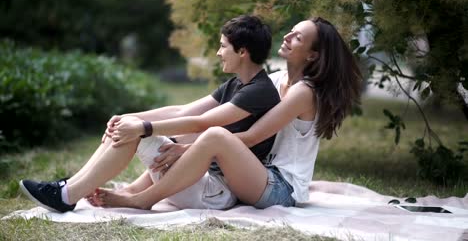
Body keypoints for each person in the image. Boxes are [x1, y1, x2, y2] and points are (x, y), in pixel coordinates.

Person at [83, 16, 362, 210]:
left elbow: (251, 137)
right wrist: (132, 117)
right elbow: (186, 110)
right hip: (254, 174)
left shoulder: (305, 92)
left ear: (312, 55)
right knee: (195, 130)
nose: (287, 37)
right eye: (290, 31)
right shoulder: (275, 81)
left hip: (281, 188)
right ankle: (131, 190)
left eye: (297, 37)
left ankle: (143, 199)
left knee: (213, 135)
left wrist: (185, 149)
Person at [19, 15, 281, 212]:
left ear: (243, 51)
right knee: (131, 127)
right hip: (200, 181)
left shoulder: (258, 90)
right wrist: (130, 116)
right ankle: (68, 190)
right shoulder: (237, 84)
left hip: (216, 193)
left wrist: (143, 127)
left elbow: (202, 122)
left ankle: (67, 196)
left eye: (223, 46)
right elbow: (181, 110)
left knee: (139, 133)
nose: (218, 52)